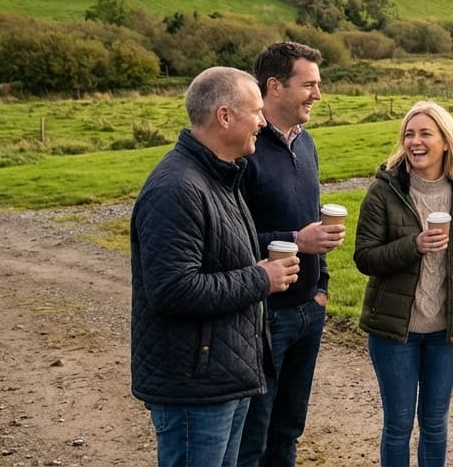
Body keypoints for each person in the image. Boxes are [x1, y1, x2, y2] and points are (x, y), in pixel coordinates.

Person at [130, 66, 300, 467]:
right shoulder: (176, 189)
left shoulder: (221, 178)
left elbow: (223, 258)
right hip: (195, 385)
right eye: (256, 111)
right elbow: (172, 289)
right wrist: (262, 278)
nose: (263, 121)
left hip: (225, 375)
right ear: (225, 117)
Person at [353, 101, 453, 467]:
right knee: (398, 425)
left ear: (446, 141)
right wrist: (414, 245)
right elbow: (364, 257)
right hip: (396, 330)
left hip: (446, 330)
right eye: (409, 134)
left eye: (425, 133)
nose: (415, 141)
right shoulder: (384, 191)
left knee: (434, 423)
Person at [239, 41, 344, 467]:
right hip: (264, 312)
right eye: (310, 85)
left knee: (288, 429)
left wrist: (320, 288)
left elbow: (311, 220)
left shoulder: (307, 144)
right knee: (254, 433)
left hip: (307, 310)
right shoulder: (244, 146)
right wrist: (297, 240)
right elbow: (233, 236)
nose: (318, 95)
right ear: (275, 87)